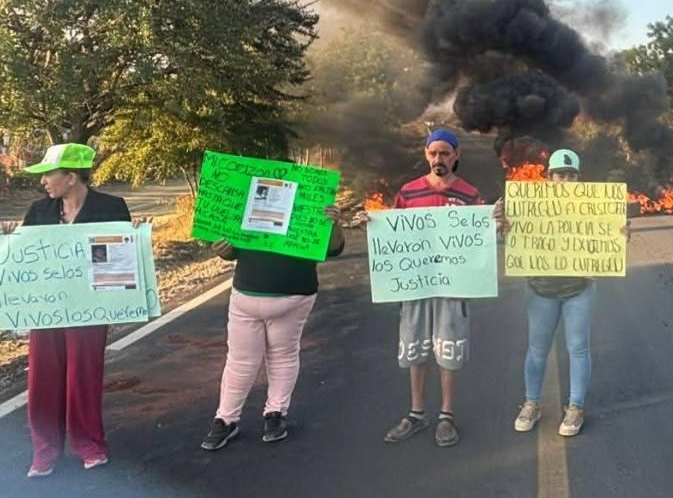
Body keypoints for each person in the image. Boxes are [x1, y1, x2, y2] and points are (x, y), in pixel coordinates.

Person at [0, 143, 131, 478]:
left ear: (71, 177)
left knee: (84, 376)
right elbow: (25, 261)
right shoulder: (38, 211)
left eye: (49, 174)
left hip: (89, 308)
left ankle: (90, 444)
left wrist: (134, 240)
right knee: (43, 377)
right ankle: (45, 451)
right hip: (46, 309)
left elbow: (118, 262)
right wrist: (8, 242)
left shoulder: (111, 208)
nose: (44, 182)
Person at [496, 148, 628, 438]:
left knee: (578, 348)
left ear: (578, 178)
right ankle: (531, 403)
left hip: (578, 288)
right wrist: (503, 224)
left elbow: (609, 236)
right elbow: (513, 237)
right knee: (537, 349)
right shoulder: (531, 205)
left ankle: (575, 407)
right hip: (541, 289)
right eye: (560, 175)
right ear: (549, 177)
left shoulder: (592, 206)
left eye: (571, 175)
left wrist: (620, 234)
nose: (565, 180)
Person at [198, 203, 346, 451]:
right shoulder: (247, 198)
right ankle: (230, 418)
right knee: (250, 359)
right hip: (252, 291)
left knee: (269, 356)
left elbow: (334, 248)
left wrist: (334, 223)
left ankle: (266, 414)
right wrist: (220, 248)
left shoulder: (314, 203)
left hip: (290, 295)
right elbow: (230, 250)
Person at [382, 129, 484, 448]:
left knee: (448, 350)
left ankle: (446, 416)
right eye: (433, 153)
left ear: (456, 155)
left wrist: (494, 223)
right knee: (416, 347)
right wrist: (371, 223)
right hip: (415, 285)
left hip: (452, 287)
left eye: (445, 153)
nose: (438, 158)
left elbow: (479, 240)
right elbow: (392, 235)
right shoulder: (408, 193)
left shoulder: (469, 194)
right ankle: (416, 414)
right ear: (426, 154)